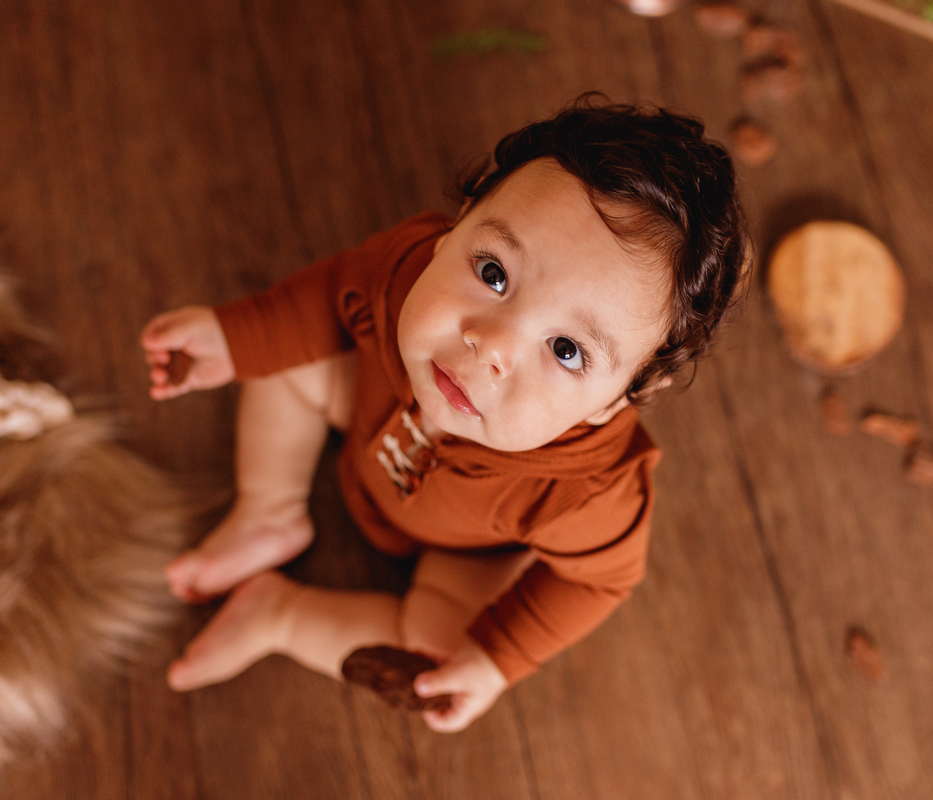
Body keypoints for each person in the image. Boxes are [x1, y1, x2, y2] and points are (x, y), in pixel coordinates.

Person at [140, 96, 748, 732]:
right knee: (288, 359)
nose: (490, 346)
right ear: (458, 223)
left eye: (566, 350)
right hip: (371, 402)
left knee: (433, 664)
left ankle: (279, 616)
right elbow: (328, 298)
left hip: (466, 551)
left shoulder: (584, 496)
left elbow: (598, 583)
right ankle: (267, 510)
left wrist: (496, 658)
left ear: (623, 397)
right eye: (492, 273)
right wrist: (234, 338)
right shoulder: (405, 270)